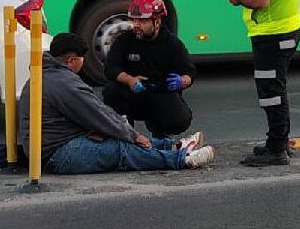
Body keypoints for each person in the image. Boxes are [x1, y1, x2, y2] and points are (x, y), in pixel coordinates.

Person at [19, 33, 214, 174]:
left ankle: (174, 146)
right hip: (58, 154)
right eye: (82, 58)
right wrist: (132, 135)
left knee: (117, 137)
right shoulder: (64, 83)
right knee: (120, 149)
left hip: (54, 146)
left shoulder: (46, 74)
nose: (83, 62)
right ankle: (181, 159)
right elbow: (97, 114)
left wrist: (125, 133)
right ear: (71, 60)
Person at [223, 0, 300, 166]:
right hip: (285, 31)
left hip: (272, 35)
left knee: (271, 93)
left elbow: (260, 0)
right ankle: (279, 142)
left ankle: (277, 149)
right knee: (277, 89)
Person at [103, 0, 196, 138]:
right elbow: (110, 68)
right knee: (111, 91)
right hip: (132, 93)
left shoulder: (173, 44)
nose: (136, 25)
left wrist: (182, 81)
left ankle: (159, 131)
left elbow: (189, 72)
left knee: (179, 120)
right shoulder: (124, 41)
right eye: (134, 20)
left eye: (142, 21)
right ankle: (124, 132)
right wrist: (129, 80)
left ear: (157, 22)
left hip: (160, 92)